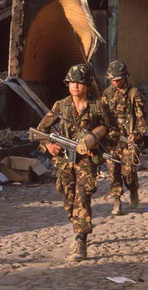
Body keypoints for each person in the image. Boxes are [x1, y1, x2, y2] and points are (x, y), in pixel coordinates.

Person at [36, 64, 110, 262]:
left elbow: (111, 130)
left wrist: (96, 142)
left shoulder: (98, 106)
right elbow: (41, 130)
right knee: (69, 199)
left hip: (87, 160)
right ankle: (77, 222)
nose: (75, 86)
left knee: (83, 196)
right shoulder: (60, 106)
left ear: (87, 85)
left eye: (80, 82)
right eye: (72, 82)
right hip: (65, 162)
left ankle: (80, 238)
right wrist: (49, 146)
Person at [101, 60, 146, 215]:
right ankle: (116, 201)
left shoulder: (134, 93)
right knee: (113, 172)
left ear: (125, 77)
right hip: (112, 141)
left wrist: (137, 134)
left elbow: (141, 119)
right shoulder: (107, 93)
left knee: (129, 172)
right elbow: (101, 116)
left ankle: (133, 190)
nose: (114, 82)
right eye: (112, 80)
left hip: (128, 140)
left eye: (117, 80)